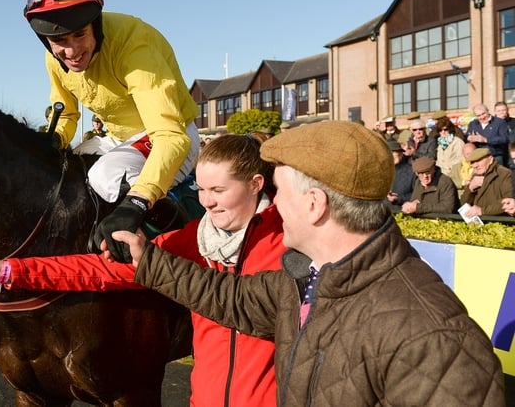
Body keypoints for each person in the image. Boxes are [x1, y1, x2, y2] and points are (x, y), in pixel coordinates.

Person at [113, 121, 504, 405]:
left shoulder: (432, 338)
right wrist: (147, 259)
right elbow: (227, 297)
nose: (273, 204)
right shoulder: (307, 280)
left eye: (279, 190)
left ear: (315, 204)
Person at [0, 133, 285, 406]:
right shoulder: (193, 239)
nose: (206, 202)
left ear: (256, 184)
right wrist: (7, 270)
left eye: (218, 191)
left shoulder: (291, 246)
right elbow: (99, 271)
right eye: (200, 189)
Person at [23, 0, 200, 261]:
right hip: (117, 139)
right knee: (65, 170)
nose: (71, 52)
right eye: (59, 40)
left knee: (106, 174)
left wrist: (137, 203)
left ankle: (181, 247)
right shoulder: (54, 59)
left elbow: (170, 137)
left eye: (80, 34)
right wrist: (53, 143)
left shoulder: (135, 44)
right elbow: (67, 115)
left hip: (170, 134)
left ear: (97, 23)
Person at [459, 147, 513, 217]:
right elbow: (463, 204)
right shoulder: (475, 176)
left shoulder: (504, 174)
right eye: (472, 162)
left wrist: (482, 211)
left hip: (499, 222)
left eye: (478, 161)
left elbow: (509, 203)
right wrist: (470, 189)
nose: (475, 165)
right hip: (478, 224)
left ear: (490, 159)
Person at [387, 140, 414, 207]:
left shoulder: (411, 172)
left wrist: (399, 198)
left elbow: (416, 194)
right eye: (389, 152)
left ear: (401, 154)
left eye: (394, 152)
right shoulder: (379, 171)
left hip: (401, 210)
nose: (391, 155)